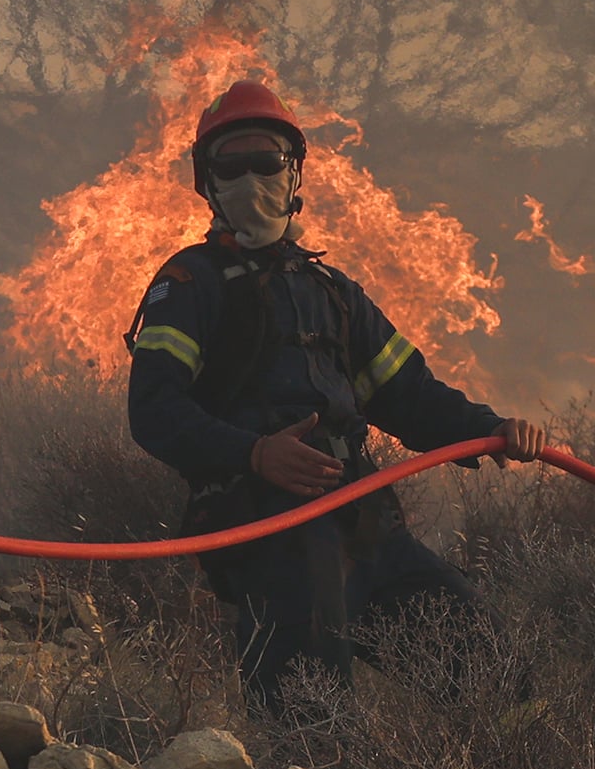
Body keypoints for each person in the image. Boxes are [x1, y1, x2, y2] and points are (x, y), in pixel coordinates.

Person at [126, 79, 545, 717]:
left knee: (491, 670)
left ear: (294, 174)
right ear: (206, 183)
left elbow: (409, 395)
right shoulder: (188, 284)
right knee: (312, 724)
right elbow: (154, 410)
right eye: (229, 166)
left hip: (366, 525)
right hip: (273, 535)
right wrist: (254, 454)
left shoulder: (332, 291)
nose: (249, 179)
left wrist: (494, 429)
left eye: (265, 161)